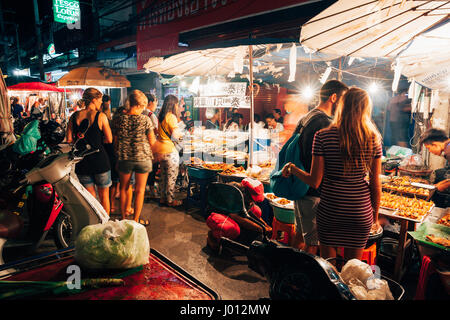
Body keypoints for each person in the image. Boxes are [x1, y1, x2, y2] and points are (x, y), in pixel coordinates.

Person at [282, 87, 382, 262]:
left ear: (342, 105)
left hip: (331, 210)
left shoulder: (323, 136)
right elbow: (375, 185)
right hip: (360, 211)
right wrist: (374, 217)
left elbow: (314, 181)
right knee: (353, 269)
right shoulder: (373, 138)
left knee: (330, 268)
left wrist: (292, 168)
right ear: (367, 108)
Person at [290, 80, 349, 254]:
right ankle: (302, 279)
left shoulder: (306, 117)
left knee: (301, 236)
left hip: (301, 187)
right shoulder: (325, 123)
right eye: (344, 100)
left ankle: (288, 272)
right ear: (333, 97)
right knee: (313, 244)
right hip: (314, 192)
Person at [66, 87, 113, 214]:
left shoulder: (74, 116)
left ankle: (94, 225)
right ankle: (105, 225)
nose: (101, 103)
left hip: (82, 162)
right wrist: (97, 141)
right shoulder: (101, 116)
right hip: (100, 161)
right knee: (104, 197)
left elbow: (69, 139)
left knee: (90, 199)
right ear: (93, 100)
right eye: (99, 100)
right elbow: (109, 139)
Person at [112, 90, 156, 225]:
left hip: (125, 158)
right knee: (140, 190)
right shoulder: (145, 120)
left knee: (124, 189)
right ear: (140, 105)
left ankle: (124, 219)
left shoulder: (119, 119)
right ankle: (136, 221)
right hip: (143, 158)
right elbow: (152, 141)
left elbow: (116, 141)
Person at [152, 94, 183, 207]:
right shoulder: (171, 117)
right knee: (171, 176)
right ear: (173, 104)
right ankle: (170, 200)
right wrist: (181, 135)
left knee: (164, 176)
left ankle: (162, 198)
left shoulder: (161, 115)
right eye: (177, 104)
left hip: (161, 149)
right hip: (170, 150)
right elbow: (175, 135)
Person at [419, 128, 450, 193]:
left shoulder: (448, 151)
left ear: (435, 144)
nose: (430, 151)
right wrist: (444, 183)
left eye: (429, 148)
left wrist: (444, 185)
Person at [143, 93, 160, 200]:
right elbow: (155, 131)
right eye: (155, 103)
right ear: (150, 102)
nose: (155, 105)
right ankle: (151, 190)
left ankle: (143, 188)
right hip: (150, 145)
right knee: (152, 168)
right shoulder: (151, 115)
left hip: (141, 146)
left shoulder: (140, 112)